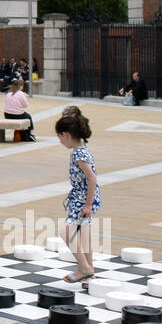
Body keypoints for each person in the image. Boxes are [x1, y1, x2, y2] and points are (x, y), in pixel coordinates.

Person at [56, 106, 98, 283]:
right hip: (82, 198)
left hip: (83, 199)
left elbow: (92, 179)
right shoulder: (81, 149)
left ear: (65, 135)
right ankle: (90, 271)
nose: (60, 142)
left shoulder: (79, 154)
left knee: (66, 231)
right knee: (84, 234)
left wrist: (88, 204)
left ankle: (84, 268)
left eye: (59, 138)